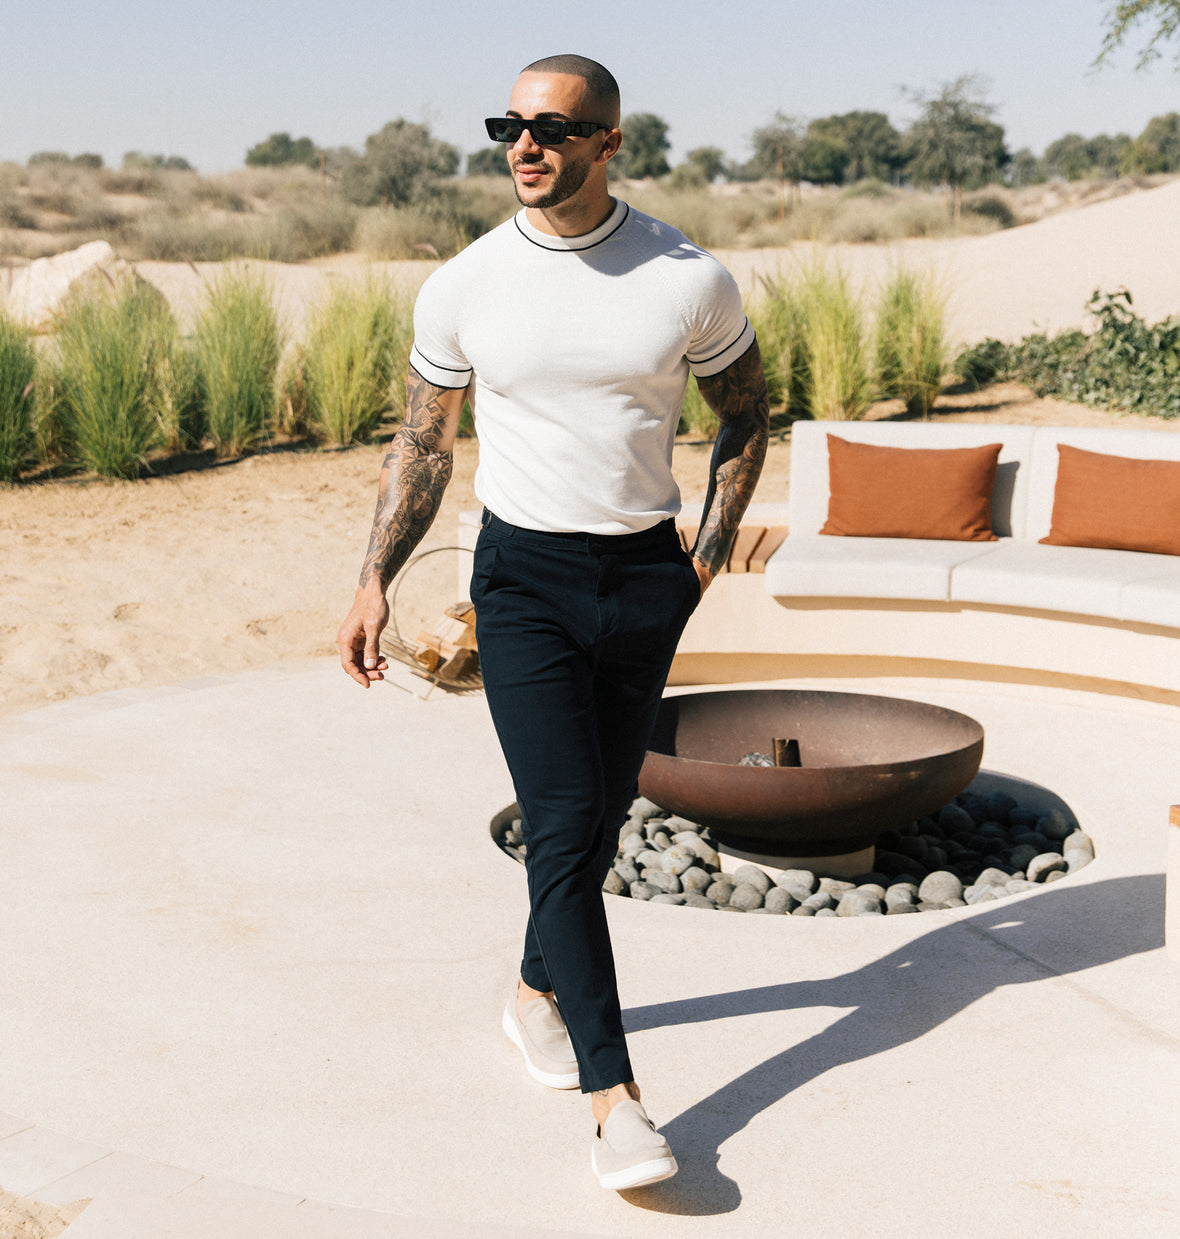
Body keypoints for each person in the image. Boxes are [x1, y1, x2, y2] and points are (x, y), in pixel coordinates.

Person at [337, 53, 768, 1191]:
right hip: (521, 579)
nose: (525, 146)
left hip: (644, 576)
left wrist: (701, 562)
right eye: (510, 126)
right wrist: (373, 577)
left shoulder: (686, 278)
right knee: (567, 818)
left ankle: (533, 987)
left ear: (607, 142)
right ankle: (614, 1101)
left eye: (553, 128)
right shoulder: (466, 283)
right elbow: (424, 441)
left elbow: (746, 416)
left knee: (600, 814)